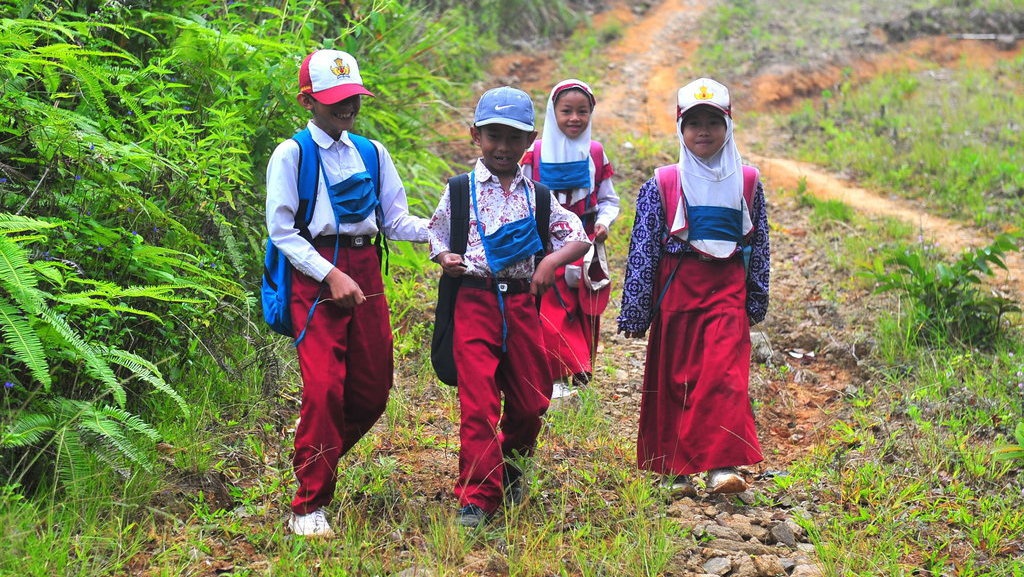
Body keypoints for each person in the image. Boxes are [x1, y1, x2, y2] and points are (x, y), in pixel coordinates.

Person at [265, 49, 428, 537]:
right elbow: (282, 231)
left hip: (367, 271)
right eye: (336, 100)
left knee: (372, 390)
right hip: (314, 276)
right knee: (323, 389)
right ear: (307, 101)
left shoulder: (373, 153)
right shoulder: (292, 154)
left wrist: (445, 233)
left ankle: (316, 452)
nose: (348, 108)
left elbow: (394, 220)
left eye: (353, 97)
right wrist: (330, 274)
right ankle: (308, 503)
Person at [427, 86, 591, 527]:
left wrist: (550, 264)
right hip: (473, 301)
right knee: (478, 403)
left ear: (530, 140)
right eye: (494, 136)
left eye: (514, 137)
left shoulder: (538, 196)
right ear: (475, 136)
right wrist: (446, 258)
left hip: (520, 304)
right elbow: (436, 236)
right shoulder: (459, 191)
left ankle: (511, 465)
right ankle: (476, 498)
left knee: (531, 400)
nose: (503, 146)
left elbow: (577, 236)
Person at [617, 77, 769, 496]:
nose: (704, 131)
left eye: (713, 122)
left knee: (725, 376)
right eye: (694, 123)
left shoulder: (747, 182)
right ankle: (675, 470)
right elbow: (643, 248)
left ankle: (722, 464)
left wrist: (756, 298)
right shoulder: (663, 183)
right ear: (680, 128)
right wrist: (636, 310)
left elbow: (759, 245)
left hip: (726, 291)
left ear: (728, 126)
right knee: (675, 379)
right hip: (677, 291)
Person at [520, 79, 620, 400]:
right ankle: (555, 373)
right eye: (566, 111)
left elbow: (608, 199)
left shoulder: (595, 153)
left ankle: (578, 370)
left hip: (584, 248)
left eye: (582, 111)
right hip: (546, 248)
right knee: (551, 308)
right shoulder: (535, 154)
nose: (575, 118)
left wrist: (602, 223)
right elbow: (522, 197)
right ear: (553, 112)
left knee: (583, 307)